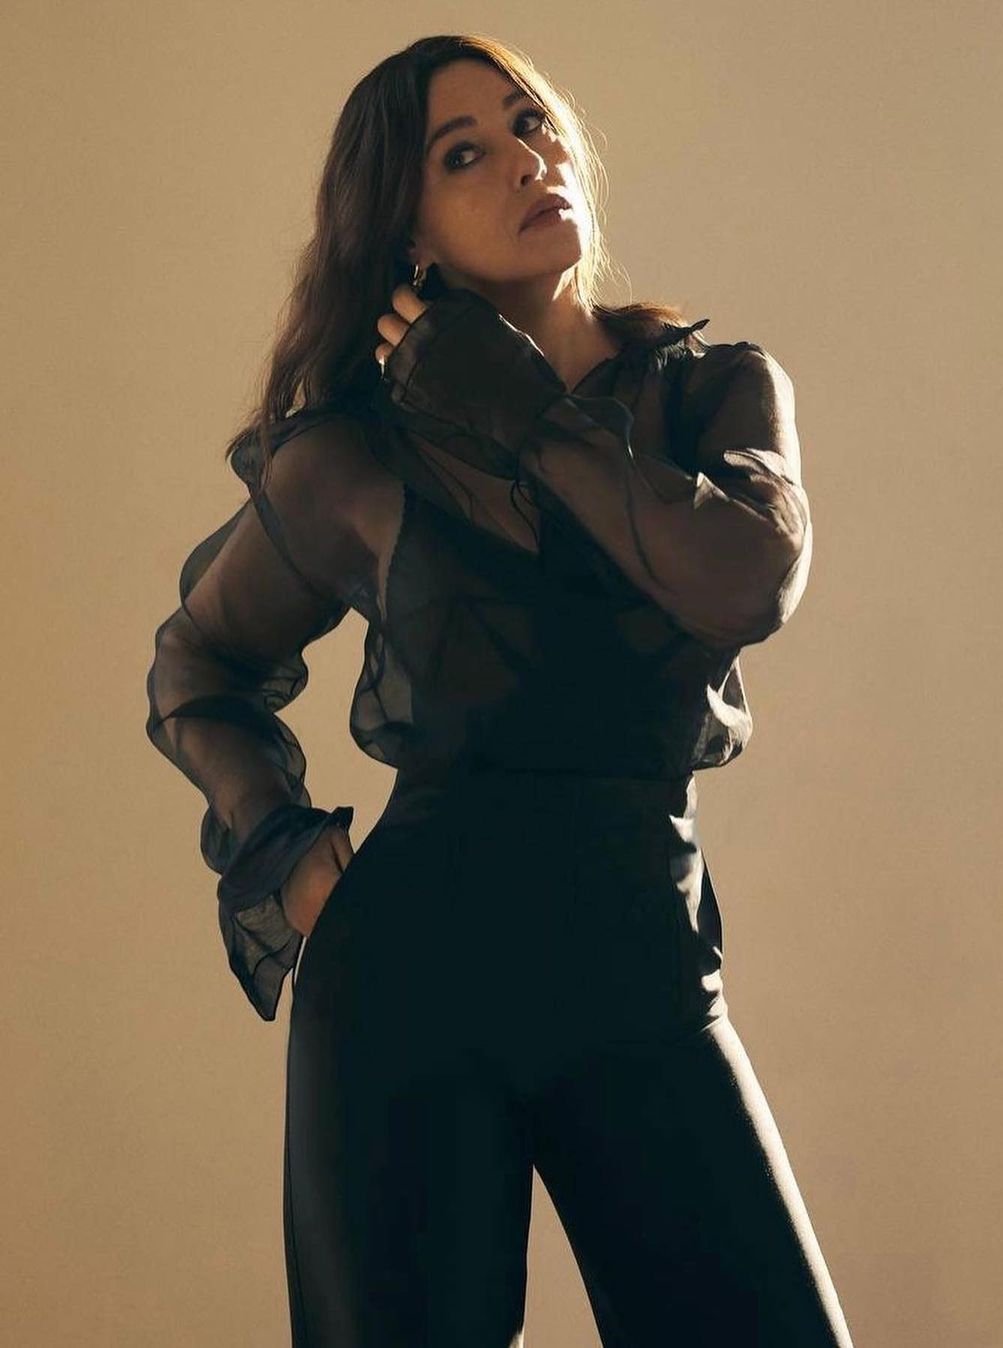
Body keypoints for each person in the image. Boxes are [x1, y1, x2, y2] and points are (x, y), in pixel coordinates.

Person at [144, 31, 855, 1348]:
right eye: (464, 154)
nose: (527, 159)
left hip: (642, 971)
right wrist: (285, 852)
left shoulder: (711, 390)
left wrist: (525, 414)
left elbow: (746, 581)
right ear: (406, 235)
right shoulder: (360, 455)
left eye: (530, 123)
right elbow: (198, 666)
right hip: (407, 987)